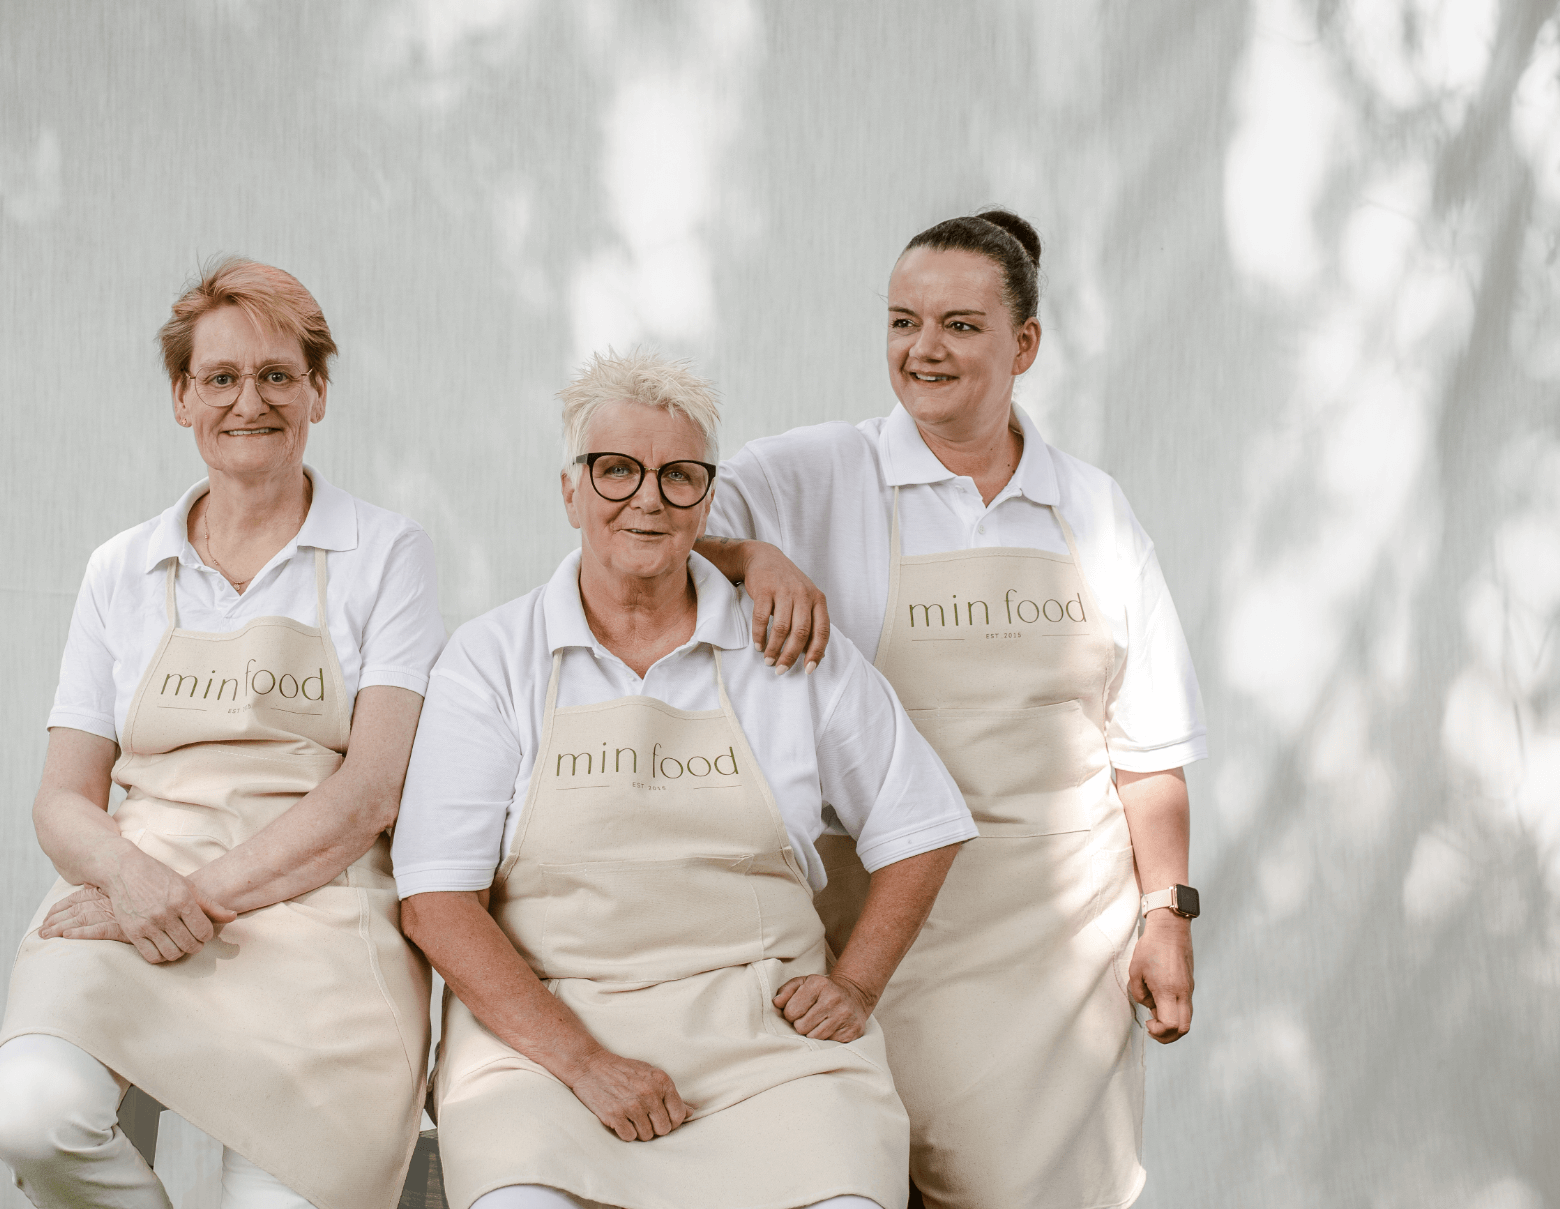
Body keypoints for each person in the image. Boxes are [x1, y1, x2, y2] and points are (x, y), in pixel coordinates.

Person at [697, 212, 1206, 1209]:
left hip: (1059, 945)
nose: (924, 348)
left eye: (961, 325)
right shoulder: (817, 472)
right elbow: (652, 520)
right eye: (902, 320)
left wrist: (1167, 913)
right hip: (878, 927)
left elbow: (1148, 750)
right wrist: (753, 556)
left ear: (1025, 345)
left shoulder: (1092, 509)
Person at [393, 352, 977, 1209]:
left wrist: (854, 986)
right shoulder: (490, 660)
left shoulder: (789, 647)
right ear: (571, 491)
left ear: (706, 502)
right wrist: (585, 1063)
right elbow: (436, 902)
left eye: (679, 476)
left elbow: (921, 825)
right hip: (545, 1039)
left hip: (765, 1041)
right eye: (617, 470)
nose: (648, 497)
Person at [0, 258, 444, 1209]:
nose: (249, 402)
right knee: (33, 1113)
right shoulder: (122, 568)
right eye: (221, 378)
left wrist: (190, 897)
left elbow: (372, 794)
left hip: (318, 910)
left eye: (278, 375)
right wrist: (128, 879)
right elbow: (63, 796)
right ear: (183, 398)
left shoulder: (386, 555)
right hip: (132, 887)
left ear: (318, 390)